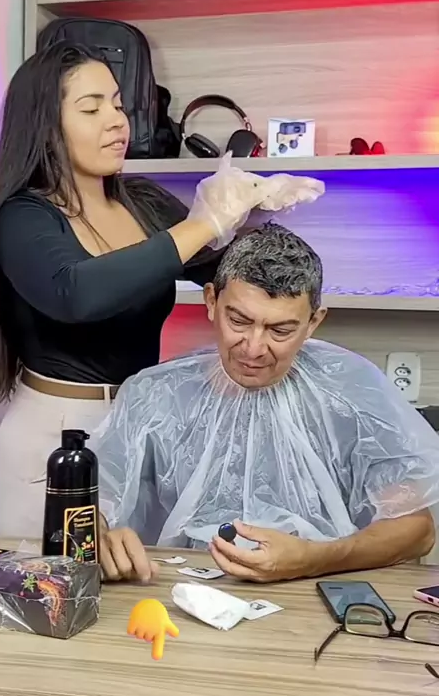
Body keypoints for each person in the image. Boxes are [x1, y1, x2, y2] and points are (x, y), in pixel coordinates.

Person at [0, 41, 324, 538]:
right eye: (91, 108)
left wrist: (251, 214)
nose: (117, 121)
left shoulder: (143, 202)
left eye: (117, 104)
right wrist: (203, 224)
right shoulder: (24, 217)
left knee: (138, 579)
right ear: (45, 127)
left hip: (143, 424)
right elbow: (77, 294)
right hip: (56, 438)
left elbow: (222, 273)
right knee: (57, 579)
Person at [93, 224, 439, 583]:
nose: (254, 348)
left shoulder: (352, 392)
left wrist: (315, 559)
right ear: (211, 302)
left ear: (313, 322)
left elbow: (416, 530)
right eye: (239, 321)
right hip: (179, 590)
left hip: (316, 589)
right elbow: (95, 502)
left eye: (280, 330)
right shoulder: (154, 394)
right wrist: (99, 537)